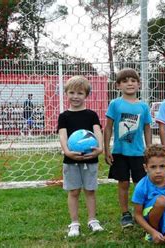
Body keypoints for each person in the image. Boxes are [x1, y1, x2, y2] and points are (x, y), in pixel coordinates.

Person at [104, 68, 153, 228]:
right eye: (125, 81)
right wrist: (106, 149)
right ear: (118, 85)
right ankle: (125, 214)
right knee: (123, 183)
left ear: (138, 84)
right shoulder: (115, 104)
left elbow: (147, 128)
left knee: (141, 184)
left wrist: (149, 149)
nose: (129, 83)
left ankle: (142, 211)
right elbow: (108, 127)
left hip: (138, 153)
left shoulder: (143, 107)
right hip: (120, 153)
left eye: (133, 80)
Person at [57, 76, 104, 237]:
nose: (75, 96)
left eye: (80, 93)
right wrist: (67, 151)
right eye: (71, 92)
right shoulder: (64, 116)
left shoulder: (91, 115)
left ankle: (92, 220)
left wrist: (100, 148)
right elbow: (62, 135)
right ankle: (74, 223)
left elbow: (97, 131)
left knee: (90, 191)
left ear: (86, 95)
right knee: (74, 192)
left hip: (90, 158)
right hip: (71, 160)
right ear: (66, 93)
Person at [132, 144, 165, 243]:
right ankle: (153, 231)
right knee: (161, 200)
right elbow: (137, 215)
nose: (158, 171)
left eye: (162, 166)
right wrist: (152, 232)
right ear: (145, 168)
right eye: (153, 167)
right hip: (149, 216)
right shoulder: (141, 186)